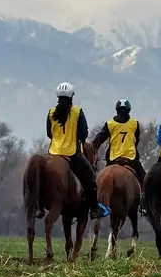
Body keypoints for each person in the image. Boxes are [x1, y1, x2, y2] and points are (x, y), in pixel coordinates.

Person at [46, 82, 105, 220]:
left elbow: (49, 133)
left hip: (53, 152)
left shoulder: (50, 112)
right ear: (72, 97)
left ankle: (37, 205)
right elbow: (83, 134)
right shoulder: (77, 112)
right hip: (72, 153)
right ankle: (94, 208)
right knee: (90, 178)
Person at [91, 99, 147, 212]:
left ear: (116, 110)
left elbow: (99, 139)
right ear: (129, 110)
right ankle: (144, 205)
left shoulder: (110, 124)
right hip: (131, 159)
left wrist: (94, 149)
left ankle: (94, 204)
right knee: (144, 180)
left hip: (113, 159)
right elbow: (136, 141)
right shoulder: (134, 124)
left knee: (98, 181)